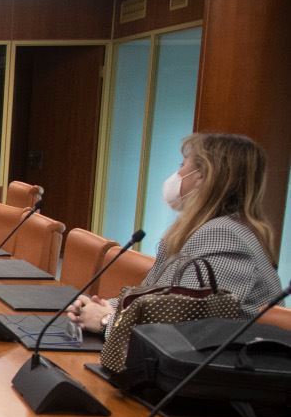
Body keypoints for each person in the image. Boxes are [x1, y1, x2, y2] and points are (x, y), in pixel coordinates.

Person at [67, 132, 282, 334]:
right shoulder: (202, 230)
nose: (177, 173)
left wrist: (107, 321)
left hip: (219, 369)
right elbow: (154, 296)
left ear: (202, 176)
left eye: (182, 165)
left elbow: (187, 325)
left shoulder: (224, 235)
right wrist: (105, 306)